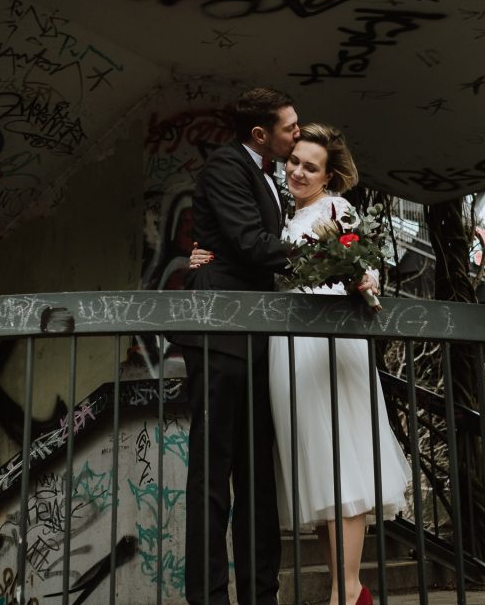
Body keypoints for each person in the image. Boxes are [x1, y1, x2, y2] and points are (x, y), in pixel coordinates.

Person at [190, 123, 410, 605]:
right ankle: (347, 588)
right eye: (294, 162)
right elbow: (253, 253)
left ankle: (347, 591)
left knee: (342, 466)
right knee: (315, 472)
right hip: (289, 358)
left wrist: (363, 280)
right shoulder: (283, 220)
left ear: (329, 176)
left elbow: (364, 264)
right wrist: (203, 255)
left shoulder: (337, 210)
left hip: (328, 354)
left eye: (311, 167)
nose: (297, 171)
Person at [172, 87, 299, 605]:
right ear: (259, 134)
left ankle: (260, 596)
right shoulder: (227, 166)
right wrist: (326, 254)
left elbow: (245, 244)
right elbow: (248, 243)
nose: (297, 131)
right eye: (289, 126)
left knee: (255, 481)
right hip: (221, 334)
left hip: (255, 337)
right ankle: (209, 598)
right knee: (212, 478)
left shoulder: (269, 174)